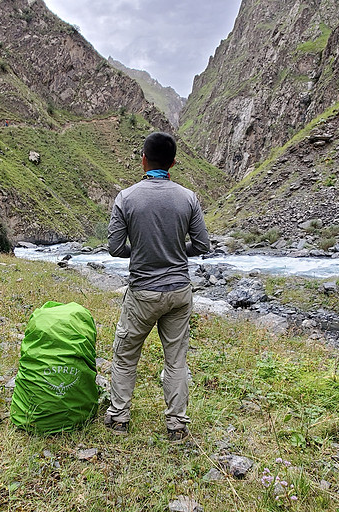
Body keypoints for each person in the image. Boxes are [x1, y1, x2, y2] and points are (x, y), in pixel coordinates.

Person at [104, 131, 210, 442]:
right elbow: (202, 244)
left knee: (125, 354)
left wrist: (138, 251)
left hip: (143, 292)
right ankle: (176, 424)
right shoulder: (188, 197)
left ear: (143, 160)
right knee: (175, 358)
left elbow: (113, 247)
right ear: (173, 163)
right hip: (179, 291)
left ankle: (119, 418)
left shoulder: (126, 197)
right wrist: (176, 251)